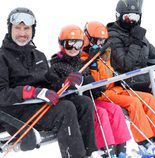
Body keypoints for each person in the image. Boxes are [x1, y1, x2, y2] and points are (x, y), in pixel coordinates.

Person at [0, 7, 100, 158]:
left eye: (26, 28)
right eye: (17, 28)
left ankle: (90, 153)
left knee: (84, 102)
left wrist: (67, 82)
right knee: (66, 108)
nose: (22, 33)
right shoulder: (2, 57)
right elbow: (2, 94)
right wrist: (31, 92)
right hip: (17, 113)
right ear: (10, 29)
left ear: (33, 30)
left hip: (39, 107)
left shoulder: (38, 56)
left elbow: (51, 82)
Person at [49, 24, 131, 157]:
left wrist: (96, 86)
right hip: (77, 105)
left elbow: (92, 84)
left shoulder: (82, 62)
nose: (74, 49)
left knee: (115, 109)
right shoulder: (57, 65)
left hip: (90, 99)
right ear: (62, 44)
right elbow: (58, 87)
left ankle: (121, 152)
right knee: (101, 113)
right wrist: (76, 84)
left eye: (78, 44)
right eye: (70, 44)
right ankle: (106, 151)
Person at [82, 21, 155, 152]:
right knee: (133, 103)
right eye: (96, 40)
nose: (100, 44)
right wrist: (92, 62)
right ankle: (144, 142)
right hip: (103, 94)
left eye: (102, 41)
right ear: (87, 39)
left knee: (148, 98)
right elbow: (97, 82)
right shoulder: (84, 59)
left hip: (116, 89)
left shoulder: (106, 54)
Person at [107, 0, 155, 92]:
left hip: (145, 80)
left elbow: (154, 56)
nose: (131, 21)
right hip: (127, 83)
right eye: (127, 17)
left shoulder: (137, 34)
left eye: (136, 17)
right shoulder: (113, 36)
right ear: (118, 16)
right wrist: (136, 42)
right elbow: (125, 65)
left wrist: (137, 39)